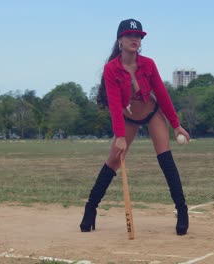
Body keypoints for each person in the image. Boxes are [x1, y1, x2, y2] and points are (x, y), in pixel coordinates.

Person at [80, 18, 190, 235]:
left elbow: (162, 94)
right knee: (113, 161)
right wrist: (119, 135)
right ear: (120, 39)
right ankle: (90, 208)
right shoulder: (111, 69)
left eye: (138, 36)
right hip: (127, 119)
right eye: (130, 35)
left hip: (152, 114)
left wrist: (176, 125)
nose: (135, 39)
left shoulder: (148, 64)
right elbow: (114, 105)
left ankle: (182, 210)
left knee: (166, 161)